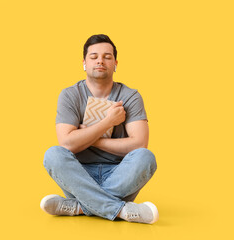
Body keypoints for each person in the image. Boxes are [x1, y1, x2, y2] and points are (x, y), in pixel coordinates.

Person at [40, 34, 158, 224]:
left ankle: (80, 206)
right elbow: (67, 143)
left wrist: (88, 137)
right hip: (79, 174)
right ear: (84, 63)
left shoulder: (130, 96)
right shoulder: (70, 95)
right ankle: (120, 210)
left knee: (146, 157)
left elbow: (139, 144)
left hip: (119, 174)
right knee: (53, 154)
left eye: (107, 57)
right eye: (94, 57)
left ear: (115, 63)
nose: (100, 61)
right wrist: (107, 122)